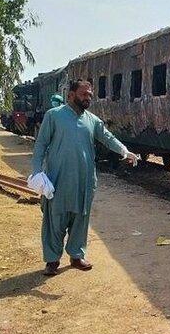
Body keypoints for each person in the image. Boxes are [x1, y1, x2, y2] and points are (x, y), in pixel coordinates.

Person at [31, 79, 138, 276]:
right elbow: (41, 145)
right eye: (83, 94)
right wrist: (37, 172)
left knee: (81, 218)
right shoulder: (53, 116)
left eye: (90, 94)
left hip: (85, 181)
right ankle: (52, 261)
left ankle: (76, 255)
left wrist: (125, 151)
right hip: (58, 180)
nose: (88, 97)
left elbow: (107, 138)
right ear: (70, 95)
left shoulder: (93, 120)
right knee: (55, 219)